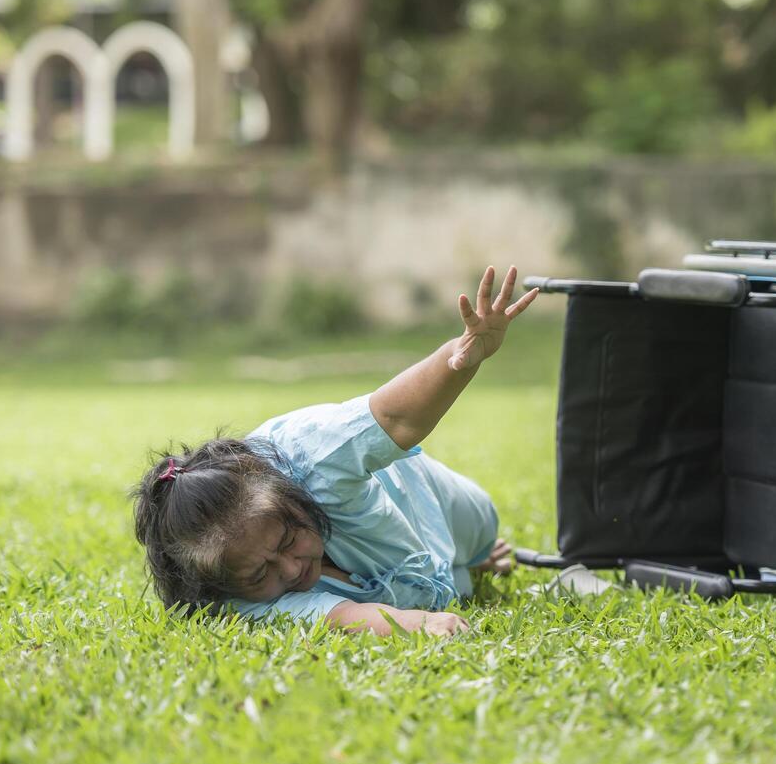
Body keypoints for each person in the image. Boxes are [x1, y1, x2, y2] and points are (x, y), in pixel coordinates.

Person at [132, 266, 539, 638]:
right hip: (411, 578)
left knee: (483, 528)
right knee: (452, 588)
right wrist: (422, 623)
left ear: (292, 499)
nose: (291, 568)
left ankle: (475, 554)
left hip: (418, 496)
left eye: (289, 537)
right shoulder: (226, 598)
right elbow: (336, 616)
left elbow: (396, 417)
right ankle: (465, 566)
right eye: (259, 574)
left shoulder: (313, 456)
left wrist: (462, 355)